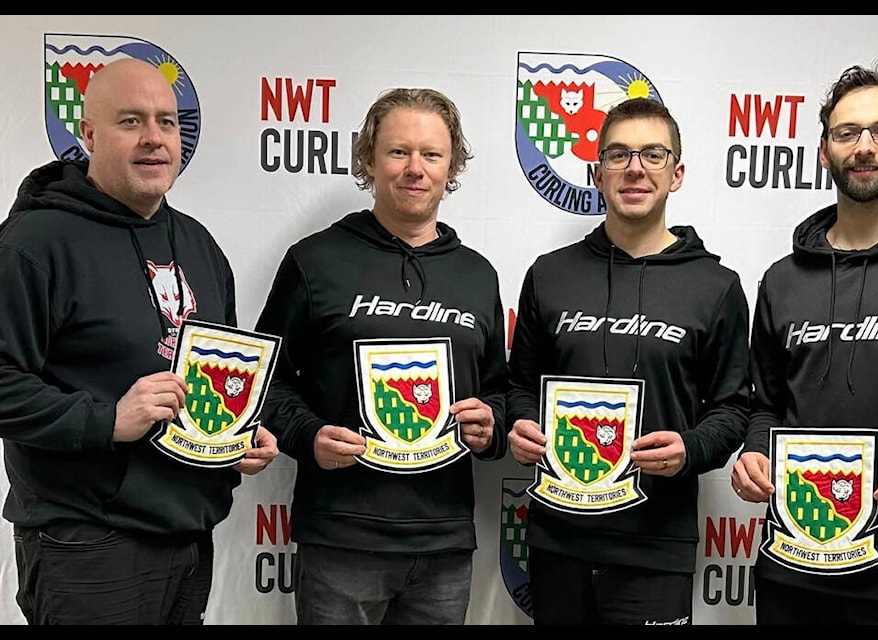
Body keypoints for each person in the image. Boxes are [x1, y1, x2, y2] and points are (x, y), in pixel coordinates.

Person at [0, 58, 278, 625]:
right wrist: (106, 420)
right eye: (131, 122)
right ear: (89, 134)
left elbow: (210, 378)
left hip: (187, 536)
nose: (154, 138)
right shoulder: (33, 243)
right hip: (87, 544)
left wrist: (236, 435)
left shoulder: (198, 245)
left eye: (167, 122)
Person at [254, 87, 508, 625]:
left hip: (444, 542)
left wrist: (493, 424)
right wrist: (308, 436)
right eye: (398, 152)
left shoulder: (478, 275)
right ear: (369, 159)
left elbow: (499, 388)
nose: (415, 169)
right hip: (342, 538)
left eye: (431, 154)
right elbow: (262, 382)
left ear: (452, 165)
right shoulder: (314, 260)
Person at [506, 96, 751, 625]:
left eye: (652, 155)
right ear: (597, 173)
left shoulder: (716, 287)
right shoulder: (549, 275)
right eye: (618, 155)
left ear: (677, 173)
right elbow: (520, 385)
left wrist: (690, 447)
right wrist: (520, 421)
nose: (635, 168)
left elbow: (733, 409)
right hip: (559, 540)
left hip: (656, 546)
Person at [732, 63, 878, 625]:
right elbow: (765, 403)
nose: (864, 147)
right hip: (793, 564)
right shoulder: (783, 279)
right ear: (823, 150)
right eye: (847, 133)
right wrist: (754, 452)